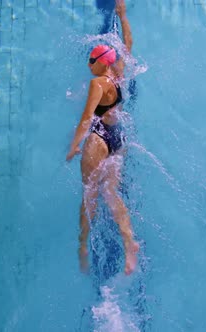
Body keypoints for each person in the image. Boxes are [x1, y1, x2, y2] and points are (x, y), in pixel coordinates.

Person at [66, 0, 139, 275]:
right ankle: (130, 242)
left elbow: (86, 117)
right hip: (118, 137)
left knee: (89, 194)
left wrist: (74, 145)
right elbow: (128, 43)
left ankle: (83, 247)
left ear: (99, 63)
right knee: (111, 191)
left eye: (91, 60)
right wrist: (122, 15)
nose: (88, 64)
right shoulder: (119, 75)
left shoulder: (97, 83)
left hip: (98, 138)